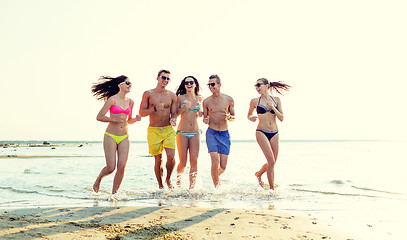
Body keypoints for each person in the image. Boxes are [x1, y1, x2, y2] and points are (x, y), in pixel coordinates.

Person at [91, 75, 141, 194]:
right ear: (120, 85)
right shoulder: (112, 100)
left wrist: (136, 119)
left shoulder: (131, 102)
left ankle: (114, 194)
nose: (130, 85)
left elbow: (128, 120)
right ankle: (98, 179)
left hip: (124, 136)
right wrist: (114, 120)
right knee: (111, 167)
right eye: (127, 83)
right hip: (111, 135)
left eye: (130, 83)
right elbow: (99, 117)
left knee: (122, 166)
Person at [247, 78, 290, 190]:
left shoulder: (276, 100)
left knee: (272, 162)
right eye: (255, 86)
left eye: (259, 85)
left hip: (275, 132)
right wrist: (251, 117)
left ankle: (259, 174)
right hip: (261, 131)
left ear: (266, 85)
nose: (257, 88)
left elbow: (281, 118)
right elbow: (248, 115)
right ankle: (272, 190)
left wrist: (273, 108)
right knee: (271, 160)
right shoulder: (254, 101)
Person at [139, 69, 178, 189]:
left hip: (168, 129)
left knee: (171, 157)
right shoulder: (148, 93)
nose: (165, 80)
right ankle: (161, 186)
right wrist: (155, 108)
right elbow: (142, 112)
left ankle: (168, 179)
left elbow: (174, 113)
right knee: (158, 159)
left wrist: (174, 119)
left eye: (167, 78)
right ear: (157, 78)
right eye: (163, 77)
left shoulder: (172, 95)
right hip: (154, 130)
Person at [202, 74, 235, 188]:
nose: (210, 87)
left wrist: (229, 117)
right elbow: (205, 119)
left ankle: (214, 177)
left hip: (224, 134)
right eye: (209, 85)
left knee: (223, 166)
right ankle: (216, 187)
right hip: (211, 133)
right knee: (214, 161)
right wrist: (205, 120)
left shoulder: (229, 99)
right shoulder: (206, 101)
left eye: (212, 84)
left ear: (219, 84)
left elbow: (234, 117)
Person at [175, 76, 203, 189]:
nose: (189, 84)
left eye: (191, 82)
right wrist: (182, 109)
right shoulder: (180, 98)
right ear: (184, 85)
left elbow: (201, 113)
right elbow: (174, 114)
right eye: (186, 83)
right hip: (182, 132)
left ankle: (192, 189)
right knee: (183, 162)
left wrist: (201, 114)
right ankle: (178, 185)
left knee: (194, 162)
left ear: (195, 84)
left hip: (195, 132)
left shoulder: (200, 98)